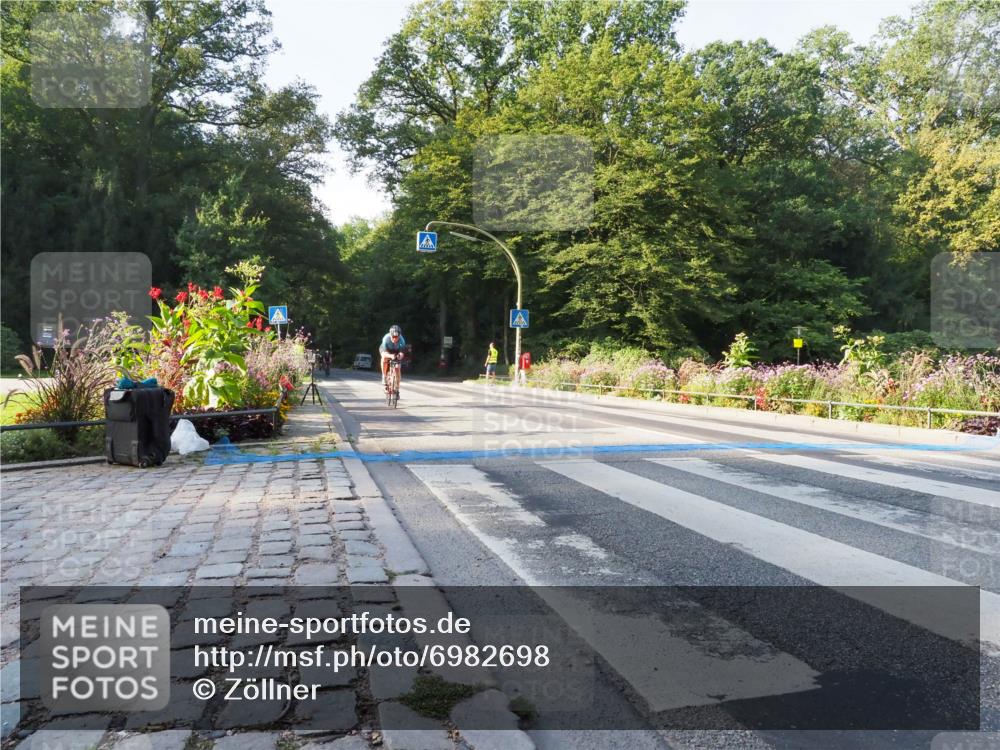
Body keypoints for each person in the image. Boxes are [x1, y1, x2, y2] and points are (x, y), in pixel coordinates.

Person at [379, 324, 407, 391]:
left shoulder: (402, 340)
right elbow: (384, 353)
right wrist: (390, 356)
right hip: (387, 350)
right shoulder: (386, 338)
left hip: (396, 351)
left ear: (399, 336)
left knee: (398, 367)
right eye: (393, 336)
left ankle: (397, 387)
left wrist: (399, 356)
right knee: (384, 358)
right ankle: (384, 376)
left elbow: (402, 352)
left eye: (396, 337)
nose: (395, 338)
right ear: (390, 335)